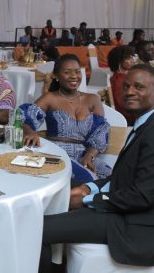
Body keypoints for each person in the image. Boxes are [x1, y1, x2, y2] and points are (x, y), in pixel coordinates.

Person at [39, 65, 154, 272]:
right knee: (61, 187)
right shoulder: (144, 124)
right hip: (124, 210)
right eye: (126, 86)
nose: (129, 92)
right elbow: (125, 177)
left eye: (139, 87)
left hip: (135, 225)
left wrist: (89, 200)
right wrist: (89, 188)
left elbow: (142, 196)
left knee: (39, 228)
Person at [21, 54, 111, 183]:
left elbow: (100, 132)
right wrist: (29, 131)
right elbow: (25, 117)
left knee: (113, 179)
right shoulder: (50, 98)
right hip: (55, 154)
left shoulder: (93, 99)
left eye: (77, 71)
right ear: (56, 76)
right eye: (67, 72)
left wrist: (89, 156)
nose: (74, 76)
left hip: (84, 154)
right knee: (88, 180)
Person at [107, 45, 135, 125]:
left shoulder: (120, 77)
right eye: (128, 58)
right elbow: (122, 105)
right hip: (129, 119)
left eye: (132, 57)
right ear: (119, 61)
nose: (132, 61)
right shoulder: (120, 80)